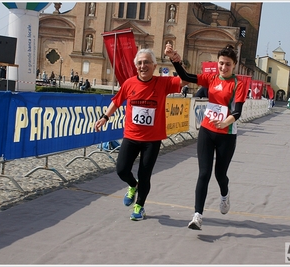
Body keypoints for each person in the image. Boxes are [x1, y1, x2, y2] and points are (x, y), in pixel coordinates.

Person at [94, 48, 185, 220]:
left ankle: (139, 206)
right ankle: (132, 185)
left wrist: (176, 61)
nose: (143, 66)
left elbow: (185, 81)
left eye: (147, 62)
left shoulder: (163, 83)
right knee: (121, 169)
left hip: (152, 139)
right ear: (136, 66)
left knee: (145, 174)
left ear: (154, 65)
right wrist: (105, 117)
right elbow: (116, 101)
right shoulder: (129, 84)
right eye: (140, 63)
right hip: (131, 136)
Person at [165, 43, 248, 230]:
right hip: (207, 131)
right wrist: (174, 59)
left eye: (227, 64)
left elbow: (238, 111)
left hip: (226, 134)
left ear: (233, 65)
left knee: (220, 174)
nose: (223, 67)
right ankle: (197, 215)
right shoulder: (211, 78)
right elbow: (186, 77)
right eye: (221, 63)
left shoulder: (238, 84)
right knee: (204, 173)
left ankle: (225, 194)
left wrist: (226, 122)